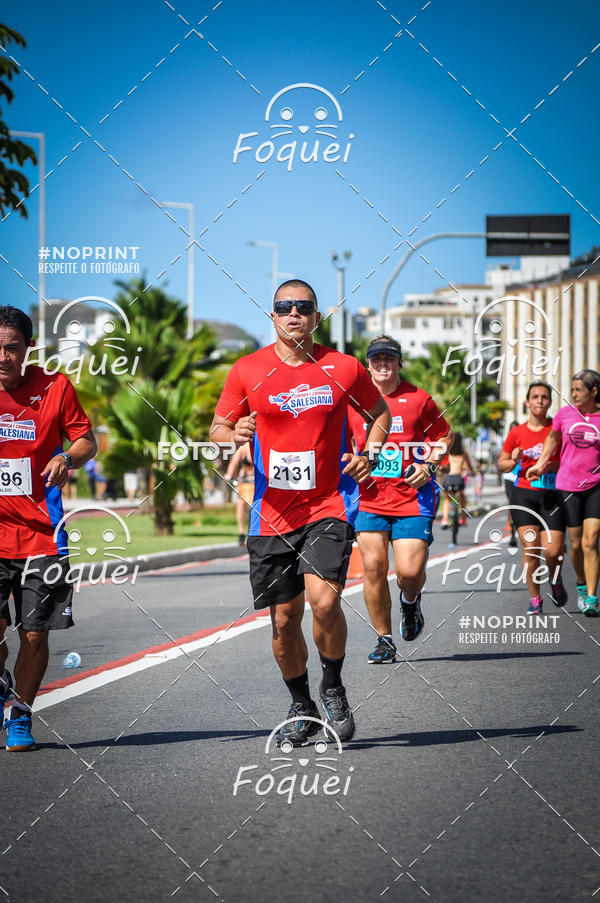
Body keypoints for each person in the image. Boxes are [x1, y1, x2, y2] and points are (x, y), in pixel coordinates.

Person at [210, 280, 390, 745]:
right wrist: (234, 433)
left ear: (315, 316)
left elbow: (380, 413)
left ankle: (332, 686)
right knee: (284, 620)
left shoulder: (344, 367)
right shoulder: (248, 371)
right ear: (272, 316)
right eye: (284, 307)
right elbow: (217, 429)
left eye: (303, 307)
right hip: (270, 515)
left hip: (327, 505)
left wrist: (369, 452)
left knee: (325, 601)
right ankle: (301, 703)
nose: (294, 314)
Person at [0, 306, 96, 751]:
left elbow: (85, 439)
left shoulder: (55, 387)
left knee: (34, 633)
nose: (3, 357)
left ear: (28, 349)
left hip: (42, 535)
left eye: (12, 348)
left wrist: (67, 458)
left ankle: (20, 715)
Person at [347, 335, 452, 663]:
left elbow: (444, 436)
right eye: (376, 359)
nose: (382, 364)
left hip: (411, 498)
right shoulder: (351, 402)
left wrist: (429, 465)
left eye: (389, 359)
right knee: (375, 567)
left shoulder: (420, 399)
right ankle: (384, 639)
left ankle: (410, 602)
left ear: (399, 363)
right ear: (368, 365)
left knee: (408, 572)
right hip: (369, 498)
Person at [527, 370, 600, 616]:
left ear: (594, 392)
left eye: (579, 390)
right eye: (573, 389)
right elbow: (551, 440)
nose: (574, 393)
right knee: (577, 544)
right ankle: (580, 582)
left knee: (591, 541)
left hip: (596, 485)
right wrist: (539, 465)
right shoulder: (565, 414)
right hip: (568, 486)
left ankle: (591, 596)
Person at [498, 381, 566, 614]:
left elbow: (568, 462)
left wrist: (551, 466)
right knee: (531, 550)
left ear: (549, 402)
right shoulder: (517, 432)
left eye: (544, 397)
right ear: (527, 402)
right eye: (535, 396)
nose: (539, 400)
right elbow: (502, 464)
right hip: (523, 495)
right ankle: (535, 598)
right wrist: (514, 460)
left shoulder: (557, 431)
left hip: (551, 495)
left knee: (554, 551)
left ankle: (555, 581)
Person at [440, 432, 473, 528]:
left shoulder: (447, 453)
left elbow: (443, 466)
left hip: (448, 478)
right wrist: (472, 472)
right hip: (458, 478)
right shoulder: (463, 454)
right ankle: (462, 518)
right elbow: (468, 467)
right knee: (462, 497)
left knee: (447, 499)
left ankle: (445, 519)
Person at [224, 443, 255, 545]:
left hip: (259, 482)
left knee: (253, 505)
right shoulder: (244, 447)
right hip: (246, 481)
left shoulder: (263, 443)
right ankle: (241, 532)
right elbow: (234, 462)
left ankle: (253, 532)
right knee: (241, 503)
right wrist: (229, 474)